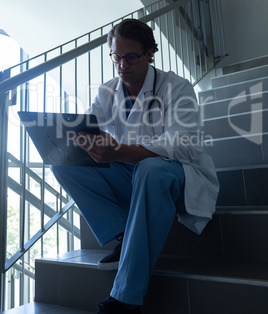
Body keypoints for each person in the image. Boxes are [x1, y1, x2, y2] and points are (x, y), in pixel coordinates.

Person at [51, 19, 219, 313]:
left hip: (176, 176)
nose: (122, 64)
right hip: (134, 177)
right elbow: (90, 127)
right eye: (117, 56)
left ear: (150, 53)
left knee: (151, 168)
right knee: (64, 165)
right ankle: (125, 232)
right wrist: (81, 140)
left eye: (131, 57)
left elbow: (184, 144)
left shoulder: (175, 87)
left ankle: (126, 299)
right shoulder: (107, 91)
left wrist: (122, 151)